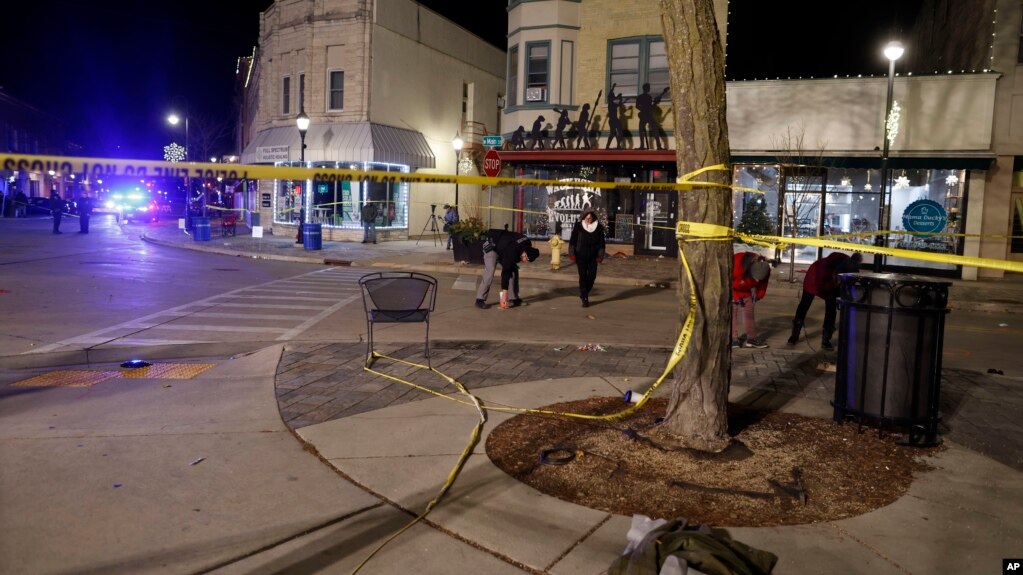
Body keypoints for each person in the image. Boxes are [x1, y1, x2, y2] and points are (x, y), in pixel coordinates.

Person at [787, 252, 863, 350]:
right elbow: (823, 287)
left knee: (831, 310)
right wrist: (837, 290)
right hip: (813, 280)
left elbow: (850, 283)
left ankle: (826, 339)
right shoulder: (823, 270)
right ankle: (794, 335)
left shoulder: (850, 265)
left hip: (830, 282)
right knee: (804, 305)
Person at [475, 227, 540, 309]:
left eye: (527, 260)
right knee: (490, 271)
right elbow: (506, 270)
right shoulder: (513, 249)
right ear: (524, 252)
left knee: (514, 270)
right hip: (492, 246)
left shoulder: (527, 244)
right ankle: (479, 299)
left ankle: (514, 299)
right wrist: (504, 291)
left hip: (504, 248)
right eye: (525, 258)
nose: (524, 261)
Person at [731, 252, 772, 349]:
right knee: (732, 312)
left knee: (749, 311)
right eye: (755, 278)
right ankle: (733, 339)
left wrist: (759, 295)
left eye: (758, 279)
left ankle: (751, 338)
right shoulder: (736, 263)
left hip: (745, 289)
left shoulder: (765, 268)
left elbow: (763, 284)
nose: (757, 281)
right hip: (732, 287)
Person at [568, 210, 606, 307]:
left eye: (590, 218)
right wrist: (572, 253)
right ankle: (585, 298)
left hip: (593, 256)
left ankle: (583, 292)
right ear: (584, 217)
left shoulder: (598, 227)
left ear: (593, 218)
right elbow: (573, 240)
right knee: (583, 276)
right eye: (587, 218)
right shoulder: (578, 226)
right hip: (580, 255)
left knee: (592, 276)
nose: (589, 219)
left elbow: (602, 243)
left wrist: (600, 255)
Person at [636, 83, 669, 150]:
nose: (649, 89)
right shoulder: (648, 97)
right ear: (647, 88)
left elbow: (638, 106)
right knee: (654, 130)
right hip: (647, 114)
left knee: (642, 130)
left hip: (645, 114)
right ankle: (657, 146)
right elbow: (649, 106)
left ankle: (643, 146)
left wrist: (643, 109)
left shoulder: (643, 97)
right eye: (649, 87)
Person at [604, 84, 625, 150]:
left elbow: (620, 103)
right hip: (613, 120)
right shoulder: (612, 102)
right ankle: (615, 146)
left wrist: (619, 97)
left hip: (613, 120)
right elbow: (619, 102)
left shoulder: (613, 102)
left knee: (615, 133)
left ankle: (615, 146)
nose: (614, 95)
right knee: (616, 133)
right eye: (613, 95)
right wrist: (613, 88)